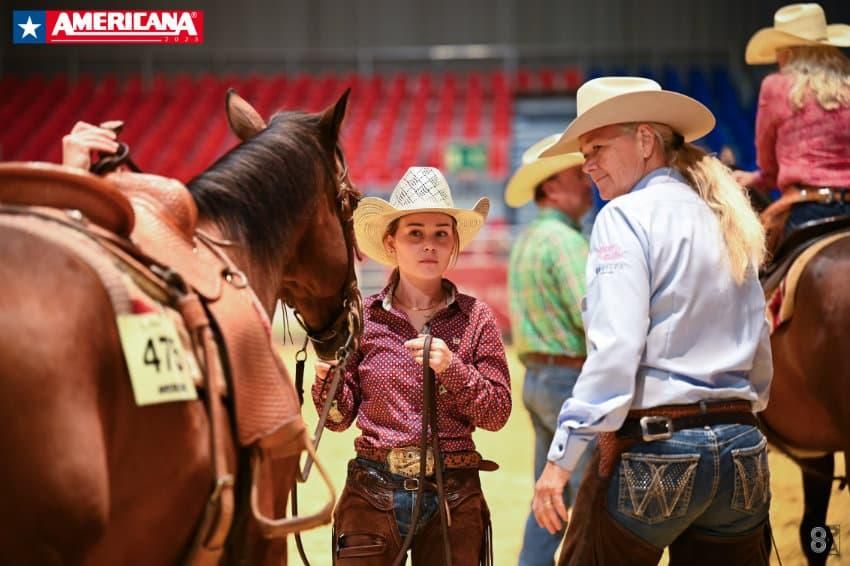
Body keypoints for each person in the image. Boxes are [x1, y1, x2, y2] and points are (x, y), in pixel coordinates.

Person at [532, 77, 773, 565]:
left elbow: (616, 351)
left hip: (661, 447)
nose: (587, 164)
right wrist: (743, 414)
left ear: (645, 141)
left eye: (597, 147)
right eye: (584, 153)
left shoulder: (623, 217)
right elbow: (760, 342)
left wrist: (560, 462)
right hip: (742, 446)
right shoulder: (726, 216)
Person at [312, 166, 511, 565]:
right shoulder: (363, 318)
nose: (429, 245)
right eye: (415, 233)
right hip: (372, 492)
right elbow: (337, 420)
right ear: (392, 241)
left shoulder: (476, 318)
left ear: (453, 241)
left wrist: (452, 368)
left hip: (454, 496)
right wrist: (327, 383)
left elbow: (497, 413)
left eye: (441, 233)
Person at [504, 135, 594, 566]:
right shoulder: (567, 242)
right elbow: (592, 316)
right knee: (598, 496)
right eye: (578, 176)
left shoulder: (528, 239)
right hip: (570, 381)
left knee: (550, 494)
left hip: (539, 378)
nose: (587, 182)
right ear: (552, 187)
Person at [732, 3, 850, 245]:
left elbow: (768, 166)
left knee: (758, 272)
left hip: (806, 209)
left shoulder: (776, 87)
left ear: (786, 52)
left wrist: (760, 178)